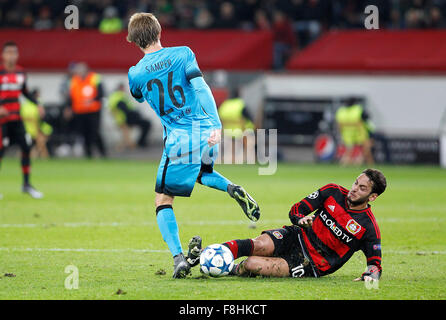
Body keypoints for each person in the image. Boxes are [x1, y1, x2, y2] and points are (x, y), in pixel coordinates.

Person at [126, 12, 260, 278]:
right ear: (160, 31)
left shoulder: (135, 73)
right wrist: (215, 123)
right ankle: (233, 187)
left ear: (132, 40)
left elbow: (139, 96)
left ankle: (178, 258)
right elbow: (201, 87)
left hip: (178, 139)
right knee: (202, 173)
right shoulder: (183, 53)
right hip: (204, 130)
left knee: (163, 200)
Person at [188, 168, 386, 283]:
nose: (354, 190)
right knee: (260, 244)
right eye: (355, 183)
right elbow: (296, 209)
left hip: (313, 262)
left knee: (252, 264)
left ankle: (230, 268)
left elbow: (375, 264)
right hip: (297, 236)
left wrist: (370, 276)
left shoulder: (368, 227)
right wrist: (300, 219)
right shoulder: (332, 192)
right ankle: (203, 254)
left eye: (362, 188)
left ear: (373, 196)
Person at [0, 41, 44, 199]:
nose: (11, 56)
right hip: (2, 121)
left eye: (14, 52)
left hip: (16, 118)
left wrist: (37, 104)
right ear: (3, 55)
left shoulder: (21, 73)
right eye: (9, 52)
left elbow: (25, 92)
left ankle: (26, 185)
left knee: (26, 147)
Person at [66, 62, 107, 158]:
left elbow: (101, 93)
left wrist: (92, 100)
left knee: (95, 132)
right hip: (79, 111)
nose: (78, 73)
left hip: (93, 111)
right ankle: (88, 154)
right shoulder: (73, 80)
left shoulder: (95, 78)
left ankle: (103, 153)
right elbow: (71, 96)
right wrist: (68, 107)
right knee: (84, 133)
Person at [108, 83, 151, 149]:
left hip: (124, 119)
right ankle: (137, 145)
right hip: (124, 119)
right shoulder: (119, 96)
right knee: (146, 124)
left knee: (126, 135)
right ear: (121, 88)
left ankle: (127, 146)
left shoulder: (115, 96)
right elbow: (125, 110)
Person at [335, 98, 374, 165]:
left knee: (349, 151)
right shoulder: (358, 109)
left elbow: (339, 125)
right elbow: (365, 120)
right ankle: (368, 165)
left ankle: (345, 165)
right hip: (360, 133)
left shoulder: (341, 111)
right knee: (366, 150)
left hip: (347, 134)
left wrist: (340, 133)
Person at [20, 88, 53, 158]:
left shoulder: (30, 104)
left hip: (34, 129)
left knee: (40, 143)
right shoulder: (34, 104)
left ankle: (40, 156)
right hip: (32, 130)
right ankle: (39, 156)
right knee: (39, 144)